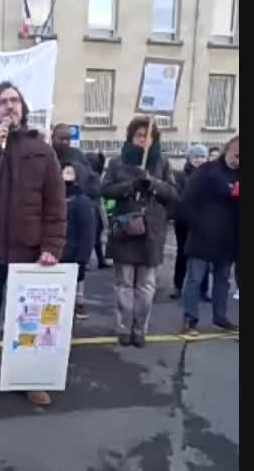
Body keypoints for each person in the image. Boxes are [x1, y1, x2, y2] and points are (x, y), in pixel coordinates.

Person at [0, 81, 66, 407]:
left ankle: (29, 378)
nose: (9, 106)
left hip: (29, 250)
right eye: (2, 102)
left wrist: (52, 246)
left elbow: (55, 204)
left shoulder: (42, 150)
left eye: (15, 101)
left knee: (28, 319)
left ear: (23, 108)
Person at [100, 117, 178, 348]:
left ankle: (139, 329)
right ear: (131, 137)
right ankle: (124, 327)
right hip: (126, 228)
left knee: (146, 285)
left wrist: (153, 183)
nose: (144, 140)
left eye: (148, 135)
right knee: (123, 282)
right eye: (139, 135)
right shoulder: (117, 162)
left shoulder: (162, 163)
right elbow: (104, 190)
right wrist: (129, 187)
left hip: (152, 230)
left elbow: (173, 194)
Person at [179, 134, 239, 337]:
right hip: (203, 235)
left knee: (223, 280)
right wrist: (198, 225)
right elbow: (187, 201)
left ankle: (220, 318)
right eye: (236, 155)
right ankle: (190, 319)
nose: (237, 161)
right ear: (227, 150)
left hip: (228, 237)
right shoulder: (207, 171)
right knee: (195, 279)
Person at [169, 145, 210, 301]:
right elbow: (178, 197)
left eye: (202, 156)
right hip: (184, 221)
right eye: (196, 157)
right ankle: (178, 286)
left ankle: (203, 290)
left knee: (205, 255)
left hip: (205, 222)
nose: (199, 160)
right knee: (182, 253)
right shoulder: (180, 176)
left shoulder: (210, 174)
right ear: (189, 159)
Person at [60, 161, 97, 320]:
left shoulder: (82, 202)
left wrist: (83, 256)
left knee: (75, 281)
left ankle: (77, 303)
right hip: (57, 251)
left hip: (72, 252)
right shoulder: (54, 198)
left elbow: (88, 231)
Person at [51, 124, 98, 200]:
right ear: (53, 138)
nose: (65, 142)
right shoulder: (47, 154)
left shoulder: (77, 155)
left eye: (68, 139)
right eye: (61, 139)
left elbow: (90, 178)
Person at [86, 150, 112, 269]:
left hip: (91, 207)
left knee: (93, 235)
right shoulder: (95, 175)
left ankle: (94, 260)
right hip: (95, 207)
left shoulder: (87, 174)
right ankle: (99, 259)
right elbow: (97, 192)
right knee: (96, 235)